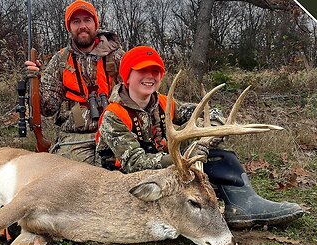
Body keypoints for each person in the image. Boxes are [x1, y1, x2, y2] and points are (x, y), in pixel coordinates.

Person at [95, 46, 304, 229]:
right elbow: (133, 163)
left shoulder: (164, 104)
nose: (150, 76)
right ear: (127, 76)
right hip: (125, 178)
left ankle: (243, 204)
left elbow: (207, 112)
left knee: (219, 155)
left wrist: (210, 133)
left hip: (165, 164)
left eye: (155, 71)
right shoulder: (113, 115)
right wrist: (184, 159)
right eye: (142, 71)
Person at [25, 0, 124, 164]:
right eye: (76, 21)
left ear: (95, 23)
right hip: (74, 137)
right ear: (69, 27)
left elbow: (138, 94)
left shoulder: (118, 56)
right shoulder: (60, 60)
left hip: (115, 130)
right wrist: (36, 80)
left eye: (87, 20)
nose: (82, 26)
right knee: (68, 183)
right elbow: (48, 108)